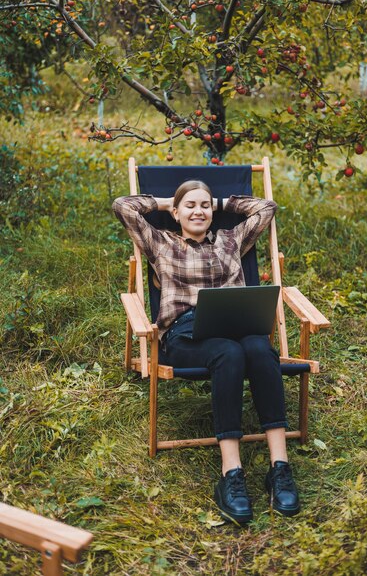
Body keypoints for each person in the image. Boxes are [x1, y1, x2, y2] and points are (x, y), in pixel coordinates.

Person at [112, 180, 300, 524]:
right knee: (228, 354)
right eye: (190, 206)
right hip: (185, 335)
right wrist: (170, 200)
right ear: (176, 213)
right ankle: (232, 473)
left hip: (237, 325)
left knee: (260, 349)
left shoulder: (232, 239)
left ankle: (280, 467)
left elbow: (266, 208)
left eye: (204, 206)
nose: (198, 211)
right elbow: (123, 206)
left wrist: (221, 200)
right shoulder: (160, 241)